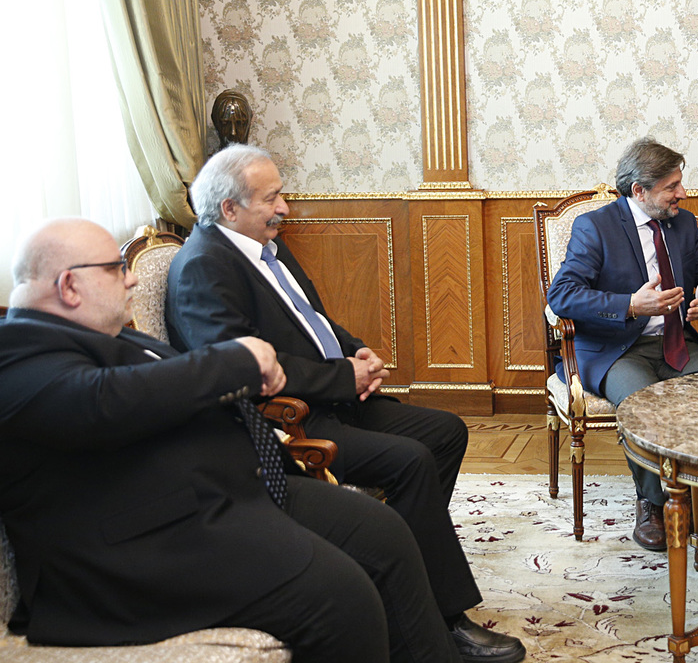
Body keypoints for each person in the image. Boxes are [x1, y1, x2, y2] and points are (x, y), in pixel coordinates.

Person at [0, 218, 467, 662]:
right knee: (341, 595)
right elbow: (103, 401)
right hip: (145, 547)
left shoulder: (103, 336)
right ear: (69, 286)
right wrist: (238, 360)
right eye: (116, 269)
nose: (132, 279)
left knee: (382, 534)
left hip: (232, 492)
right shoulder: (18, 353)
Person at [164, 145, 522, 663]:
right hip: (288, 421)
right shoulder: (203, 268)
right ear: (229, 208)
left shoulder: (263, 243)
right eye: (272, 198)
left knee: (445, 432)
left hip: (331, 396)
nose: (284, 207)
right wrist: (342, 378)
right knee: (410, 460)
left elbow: (311, 319)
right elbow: (242, 369)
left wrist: (357, 352)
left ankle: (399, 574)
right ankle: (443, 620)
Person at [547, 138, 698, 551]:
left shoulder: (682, 224)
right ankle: (653, 503)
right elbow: (562, 295)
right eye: (672, 186)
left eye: (679, 183)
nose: (681, 193)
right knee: (642, 402)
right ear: (639, 190)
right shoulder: (595, 227)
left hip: (676, 344)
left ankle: (694, 497)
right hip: (616, 351)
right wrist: (630, 305)